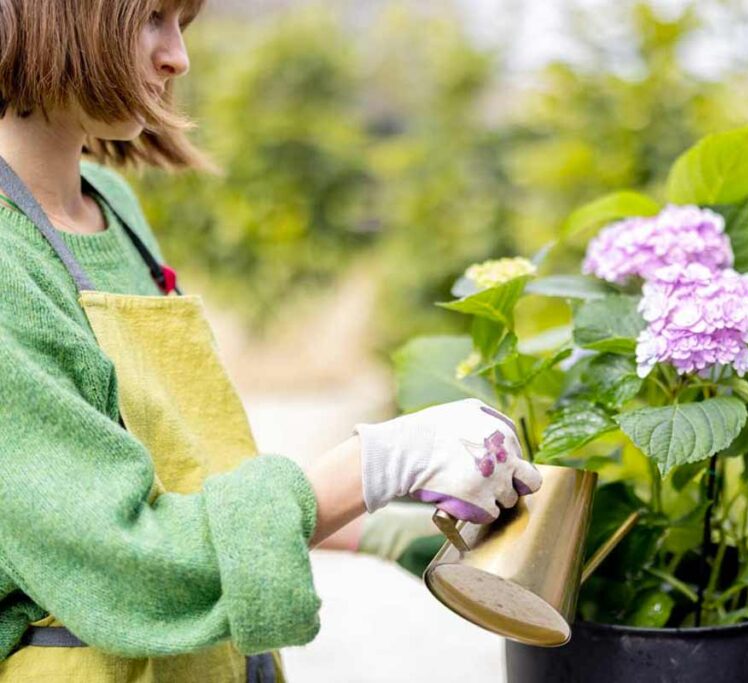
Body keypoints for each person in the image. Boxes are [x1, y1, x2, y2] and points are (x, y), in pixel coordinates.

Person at [0, 1, 542, 681]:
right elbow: (128, 563)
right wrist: (374, 464)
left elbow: (191, 478)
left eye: (182, 25)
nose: (178, 57)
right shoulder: (8, 264)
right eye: (152, 18)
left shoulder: (113, 208)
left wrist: (377, 529)